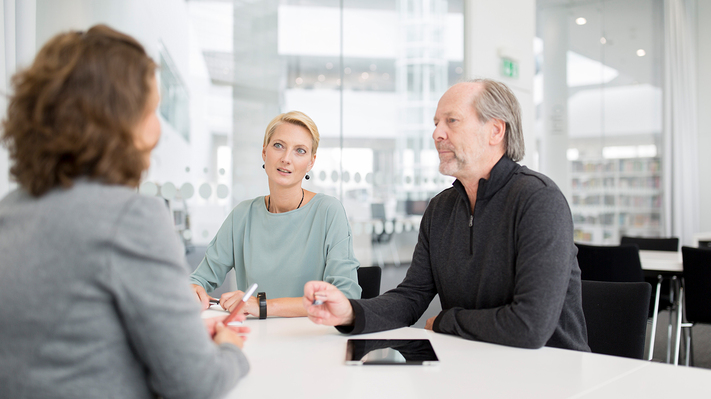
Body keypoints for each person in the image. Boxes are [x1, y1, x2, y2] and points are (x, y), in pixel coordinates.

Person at [0, 25, 249, 399]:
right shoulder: (132, 218)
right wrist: (230, 347)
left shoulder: (12, 210)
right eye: (151, 111)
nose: (158, 131)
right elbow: (197, 385)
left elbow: (74, 346)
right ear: (117, 121)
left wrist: (180, 340)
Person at [304, 79, 590, 351]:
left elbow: (530, 326)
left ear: (495, 131)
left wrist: (446, 320)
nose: (437, 134)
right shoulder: (441, 208)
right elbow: (411, 297)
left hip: (550, 372)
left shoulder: (539, 200)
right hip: (472, 363)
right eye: (436, 123)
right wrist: (350, 312)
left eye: (451, 121)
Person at [190, 111, 361, 318]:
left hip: (311, 339)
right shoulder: (243, 215)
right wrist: (193, 288)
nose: (286, 159)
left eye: (299, 150)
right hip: (256, 338)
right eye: (278, 146)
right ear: (264, 152)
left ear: (311, 162)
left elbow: (345, 296)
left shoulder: (328, 211)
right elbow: (199, 279)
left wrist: (263, 306)